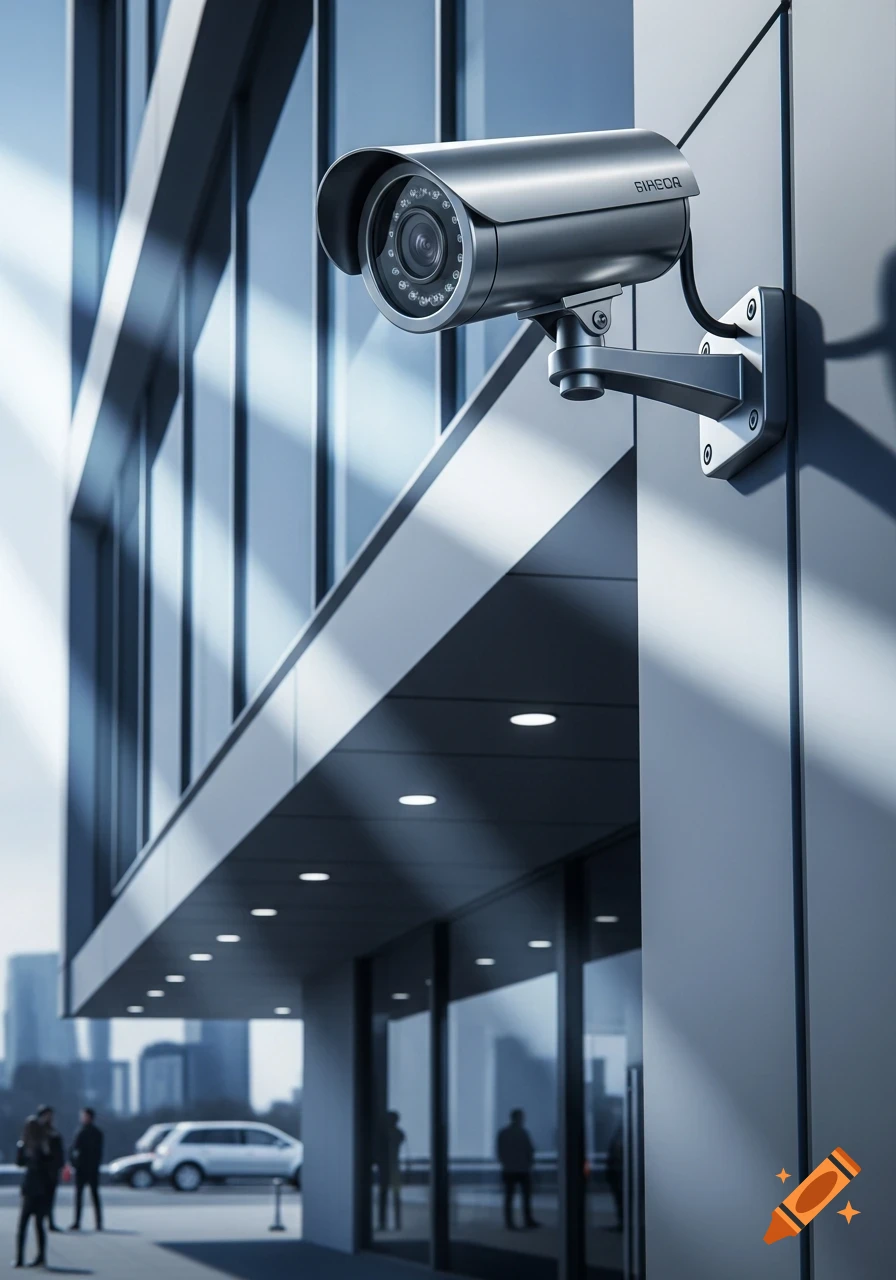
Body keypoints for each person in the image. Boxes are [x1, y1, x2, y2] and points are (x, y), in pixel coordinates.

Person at [13, 1116, 54, 1268]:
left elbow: (19, 1163)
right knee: (39, 1225)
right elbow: (49, 1163)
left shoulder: (25, 1145)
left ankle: (19, 1258)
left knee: (23, 1225)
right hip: (42, 1189)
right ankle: (41, 1256)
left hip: (30, 1188)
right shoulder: (44, 1145)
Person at [496, 1108, 540, 1230]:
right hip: (522, 1169)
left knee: (509, 1197)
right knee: (525, 1197)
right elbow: (530, 1150)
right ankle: (527, 1220)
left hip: (509, 1169)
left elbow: (500, 1152)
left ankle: (509, 1222)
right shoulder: (523, 1133)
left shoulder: (503, 1133)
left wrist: (505, 1162)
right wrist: (530, 1163)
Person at [68, 1108, 103, 1232]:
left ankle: (98, 1222)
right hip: (81, 1168)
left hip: (90, 1168)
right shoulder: (80, 1131)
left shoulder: (95, 1133)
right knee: (79, 1196)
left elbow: (98, 1153)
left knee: (94, 1195)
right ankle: (77, 1221)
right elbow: (73, 1149)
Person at [35, 1107, 65, 1233]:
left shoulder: (54, 1132)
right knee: (40, 1198)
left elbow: (59, 1152)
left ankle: (50, 1222)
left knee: (50, 1197)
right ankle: (40, 1221)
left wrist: (60, 1165)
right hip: (40, 1171)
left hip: (52, 1171)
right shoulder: (36, 1133)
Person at [376, 1111, 405, 1231]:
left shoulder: (384, 1134)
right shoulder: (399, 1133)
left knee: (383, 1195)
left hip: (385, 1167)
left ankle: (382, 1223)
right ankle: (397, 1223)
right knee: (396, 1196)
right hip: (395, 1167)